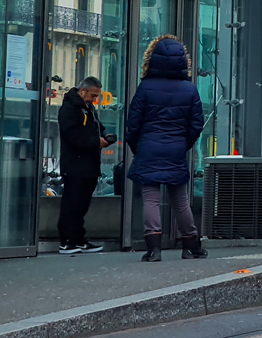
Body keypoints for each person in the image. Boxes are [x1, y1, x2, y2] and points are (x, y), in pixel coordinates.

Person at [126, 36, 206, 262]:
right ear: (183, 61)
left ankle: (154, 249)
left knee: (150, 199)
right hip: (176, 149)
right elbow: (196, 124)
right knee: (180, 200)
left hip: (148, 148)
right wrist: (183, 143)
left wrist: (138, 147)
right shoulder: (190, 90)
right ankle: (191, 245)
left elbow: (133, 123)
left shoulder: (145, 88)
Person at [57, 76, 117, 253]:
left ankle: (78, 238)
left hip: (89, 164)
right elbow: (71, 135)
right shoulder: (70, 108)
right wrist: (95, 142)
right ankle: (67, 239)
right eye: (93, 95)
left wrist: (106, 136)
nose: (95, 99)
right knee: (72, 202)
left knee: (82, 204)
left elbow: (97, 126)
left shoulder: (88, 108)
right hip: (75, 163)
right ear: (83, 91)